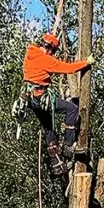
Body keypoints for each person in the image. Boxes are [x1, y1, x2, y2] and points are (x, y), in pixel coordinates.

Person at [22, 33, 94, 174]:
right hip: (40, 97)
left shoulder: (30, 53)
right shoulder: (45, 60)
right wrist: (87, 62)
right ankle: (68, 145)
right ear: (51, 49)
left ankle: (56, 163)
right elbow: (68, 69)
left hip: (29, 99)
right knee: (72, 109)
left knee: (49, 127)